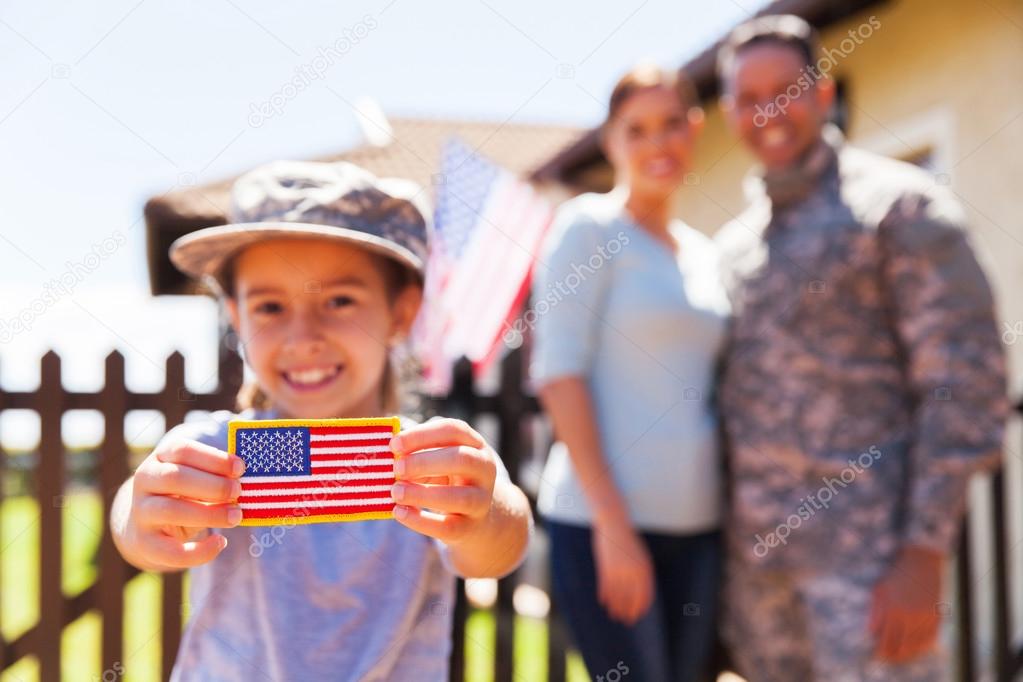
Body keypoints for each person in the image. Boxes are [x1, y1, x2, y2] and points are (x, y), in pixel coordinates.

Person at [109, 160, 533, 681]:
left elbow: (500, 549)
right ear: (237, 318)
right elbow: (136, 503)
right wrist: (140, 517)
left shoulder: (428, 458)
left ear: (401, 313)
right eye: (270, 307)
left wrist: (486, 514)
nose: (303, 336)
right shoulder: (220, 449)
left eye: (339, 300)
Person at [713, 14, 1010, 681]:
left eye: (785, 90)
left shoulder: (897, 209)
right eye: (748, 97)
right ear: (729, 110)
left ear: (822, 94)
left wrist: (921, 553)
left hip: (869, 570)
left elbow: (964, 382)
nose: (769, 112)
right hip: (759, 583)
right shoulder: (735, 246)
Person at [531, 64, 730, 682]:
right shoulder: (589, 229)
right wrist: (613, 526)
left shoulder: (703, 253)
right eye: (636, 129)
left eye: (672, 124)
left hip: (697, 525)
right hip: (605, 524)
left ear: (695, 129)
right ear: (612, 141)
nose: (657, 143)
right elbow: (559, 375)